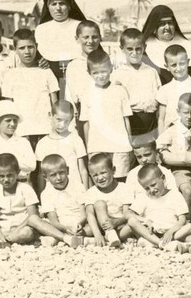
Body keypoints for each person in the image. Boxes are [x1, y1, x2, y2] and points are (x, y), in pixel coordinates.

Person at [0, 153, 79, 249]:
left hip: (21, 228)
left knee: (27, 232)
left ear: (18, 172)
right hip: (3, 230)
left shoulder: (25, 189)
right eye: (1, 176)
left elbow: (32, 216)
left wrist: (14, 233)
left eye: (10, 175)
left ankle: (6, 243)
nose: (6, 180)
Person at [79, 49, 133, 183]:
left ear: (111, 68)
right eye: (95, 73)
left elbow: (126, 119)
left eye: (103, 71)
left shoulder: (120, 90)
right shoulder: (87, 94)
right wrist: (89, 147)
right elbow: (86, 123)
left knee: (120, 179)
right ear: (89, 73)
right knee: (101, 180)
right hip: (97, 145)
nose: (100, 76)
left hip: (119, 145)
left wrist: (129, 143)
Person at [0, 29, 59, 149]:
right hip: (22, 131)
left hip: (45, 129)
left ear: (36, 47)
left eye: (30, 47)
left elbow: (55, 103)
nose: (27, 52)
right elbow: (9, 107)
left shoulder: (46, 72)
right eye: (22, 48)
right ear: (14, 49)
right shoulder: (10, 75)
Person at [156, 92, 191, 209]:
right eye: (185, 113)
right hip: (181, 169)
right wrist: (169, 155)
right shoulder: (173, 130)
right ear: (178, 112)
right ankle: (187, 220)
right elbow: (159, 146)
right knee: (187, 191)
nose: (189, 116)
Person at [126, 164, 191, 250]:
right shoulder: (145, 196)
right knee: (132, 221)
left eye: (153, 185)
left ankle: (156, 243)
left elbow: (182, 219)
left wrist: (170, 232)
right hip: (153, 232)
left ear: (163, 178)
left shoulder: (175, 194)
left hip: (173, 231)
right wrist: (145, 220)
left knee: (190, 227)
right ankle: (161, 243)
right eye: (147, 188)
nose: (151, 190)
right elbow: (128, 214)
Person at [112, 28, 161, 143]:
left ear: (144, 48)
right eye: (129, 49)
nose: (134, 53)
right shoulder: (117, 74)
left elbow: (159, 99)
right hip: (131, 121)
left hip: (151, 120)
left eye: (138, 49)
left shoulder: (152, 71)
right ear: (122, 49)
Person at [141, 5, 191, 84]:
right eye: (162, 24)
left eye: (170, 23)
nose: (167, 27)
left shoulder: (186, 45)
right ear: (154, 27)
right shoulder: (146, 52)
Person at [35, 0, 88, 83]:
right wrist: (39, 61)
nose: (58, 8)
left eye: (62, 3)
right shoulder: (41, 29)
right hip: (50, 77)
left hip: (78, 75)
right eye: (54, 4)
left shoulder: (81, 26)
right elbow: (36, 55)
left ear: (69, 5)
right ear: (48, 6)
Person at [34, 100, 89, 193]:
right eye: (58, 119)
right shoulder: (42, 143)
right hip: (52, 193)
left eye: (66, 121)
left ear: (71, 120)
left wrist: (86, 193)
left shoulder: (75, 139)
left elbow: (82, 169)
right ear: (50, 115)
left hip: (74, 191)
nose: (62, 125)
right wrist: (41, 194)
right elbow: (41, 174)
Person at [83, 153, 135, 247]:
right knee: (99, 204)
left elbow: (127, 213)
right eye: (95, 175)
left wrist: (116, 223)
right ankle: (105, 236)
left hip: (119, 225)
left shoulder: (124, 188)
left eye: (103, 173)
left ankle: (101, 240)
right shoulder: (91, 192)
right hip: (99, 226)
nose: (100, 178)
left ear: (113, 170)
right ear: (90, 176)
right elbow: (89, 213)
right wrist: (98, 234)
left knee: (132, 226)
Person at [155, 45, 191, 135]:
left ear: (188, 62)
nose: (178, 68)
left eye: (182, 63)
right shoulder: (164, 90)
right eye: (173, 65)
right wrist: (162, 141)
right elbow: (161, 119)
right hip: (173, 137)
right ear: (167, 66)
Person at [0, 101, 36, 182]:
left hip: (21, 184)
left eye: (15, 120)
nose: (12, 124)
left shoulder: (23, 142)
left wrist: (0, 160)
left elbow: (31, 165)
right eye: (8, 120)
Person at [38, 154, 87, 247]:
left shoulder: (77, 186)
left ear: (67, 170)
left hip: (79, 223)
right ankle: (65, 238)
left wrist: (80, 223)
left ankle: (61, 239)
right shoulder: (46, 193)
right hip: (60, 227)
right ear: (46, 178)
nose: (59, 178)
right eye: (53, 175)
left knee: (92, 222)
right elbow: (53, 220)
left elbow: (84, 214)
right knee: (41, 223)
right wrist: (64, 229)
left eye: (61, 172)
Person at [64, 20, 103, 129]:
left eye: (94, 37)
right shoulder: (73, 66)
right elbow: (69, 96)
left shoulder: (108, 62)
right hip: (83, 117)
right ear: (77, 39)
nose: (90, 41)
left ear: (100, 38)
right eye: (86, 37)